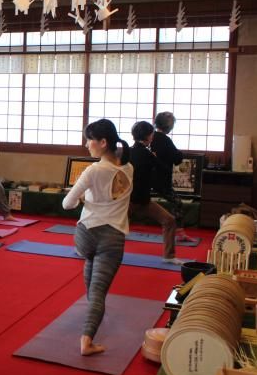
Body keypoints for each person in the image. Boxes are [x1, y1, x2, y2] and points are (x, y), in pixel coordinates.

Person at [62, 118, 133, 357]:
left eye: (89, 139)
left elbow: (67, 203)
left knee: (92, 272)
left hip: (85, 236)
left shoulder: (93, 170)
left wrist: (85, 200)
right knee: (99, 291)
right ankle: (87, 340)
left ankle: (92, 315)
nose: (86, 144)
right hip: (112, 238)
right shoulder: (129, 169)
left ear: (103, 142)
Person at [129, 121, 181, 265]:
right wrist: (155, 156)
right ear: (147, 136)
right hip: (140, 200)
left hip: (129, 199)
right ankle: (169, 256)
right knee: (169, 221)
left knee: (113, 226)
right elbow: (164, 169)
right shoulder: (147, 154)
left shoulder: (128, 152)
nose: (153, 136)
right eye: (151, 134)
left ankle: (98, 251)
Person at [151, 111, 192, 242]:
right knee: (177, 203)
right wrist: (178, 153)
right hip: (161, 180)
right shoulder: (166, 140)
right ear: (169, 126)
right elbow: (177, 159)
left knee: (133, 202)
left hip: (146, 179)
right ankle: (180, 233)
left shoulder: (151, 137)